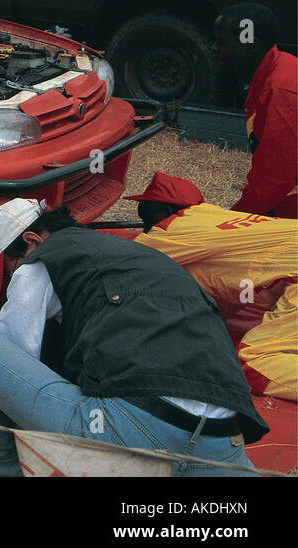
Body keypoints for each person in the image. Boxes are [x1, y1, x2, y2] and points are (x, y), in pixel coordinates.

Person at [0, 198, 268, 477]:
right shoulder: (136, 259)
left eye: (9, 271)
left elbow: (12, 356)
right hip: (221, 441)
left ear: (31, 241)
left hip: (133, 429)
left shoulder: (39, 260)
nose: (14, 281)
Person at [126, 171, 296, 402]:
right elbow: (224, 294)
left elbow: (124, 255)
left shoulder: (173, 227)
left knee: (252, 364)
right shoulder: (216, 220)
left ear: (164, 211)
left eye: (146, 216)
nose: (146, 227)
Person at [211, 2, 297, 218]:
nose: (213, 48)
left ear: (252, 45)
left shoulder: (279, 89)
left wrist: (231, 221)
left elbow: (274, 179)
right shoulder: (272, 73)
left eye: (222, 43)